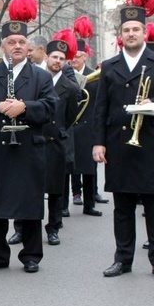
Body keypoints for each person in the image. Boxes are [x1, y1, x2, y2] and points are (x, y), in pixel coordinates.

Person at [93, 0, 154, 281]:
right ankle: (123, 259)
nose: (131, 34)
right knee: (122, 206)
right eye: (126, 30)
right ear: (121, 35)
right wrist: (98, 143)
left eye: (136, 29)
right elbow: (101, 109)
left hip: (151, 143)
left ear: (145, 33)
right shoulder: (109, 66)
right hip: (120, 144)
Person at [0, 9, 58, 273]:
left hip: (27, 148)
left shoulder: (41, 76)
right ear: (2, 45)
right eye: (11, 42)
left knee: (29, 202)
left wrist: (25, 108)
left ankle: (31, 255)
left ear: (28, 47)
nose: (17, 46)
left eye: (21, 42)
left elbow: (51, 108)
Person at [40, 37, 79, 245]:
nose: (57, 61)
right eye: (54, 56)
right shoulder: (35, 80)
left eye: (61, 58)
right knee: (30, 186)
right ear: (46, 57)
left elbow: (72, 116)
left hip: (57, 141)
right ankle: (22, 227)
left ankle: (53, 227)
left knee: (56, 188)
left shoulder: (70, 88)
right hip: (36, 139)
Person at [68, 39, 103, 216]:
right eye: (72, 56)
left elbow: (99, 104)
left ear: (85, 57)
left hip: (88, 126)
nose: (74, 59)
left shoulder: (94, 76)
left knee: (89, 167)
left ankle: (89, 204)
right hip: (70, 126)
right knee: (68, 165)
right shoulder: (66, 74)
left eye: (78, 56)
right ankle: (66, 203)